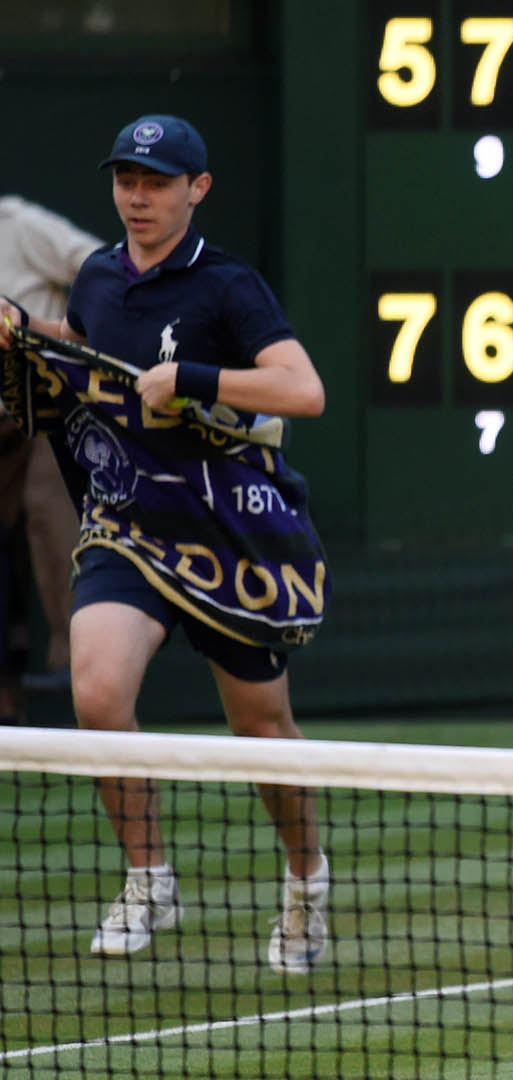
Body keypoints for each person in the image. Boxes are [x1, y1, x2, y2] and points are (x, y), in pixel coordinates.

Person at [0, 115, 332, 971]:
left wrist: (196, 380)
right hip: (128, 520)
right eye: (126, 181)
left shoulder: (229, 286)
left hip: (229, 529)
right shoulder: (97, 280)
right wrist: (26, 334)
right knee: (98, 691)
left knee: (261, 727)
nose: (137, 197)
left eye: (156, 182)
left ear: (198, 189)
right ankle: (149, 876)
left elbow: (304, 391)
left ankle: (305, 883)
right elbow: (90, 366)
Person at [0, 195, 99, 705]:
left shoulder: (18, 224)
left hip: (45, 395)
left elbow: (100, 265)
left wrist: (65, 336)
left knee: (49, 508)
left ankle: (74, 666)